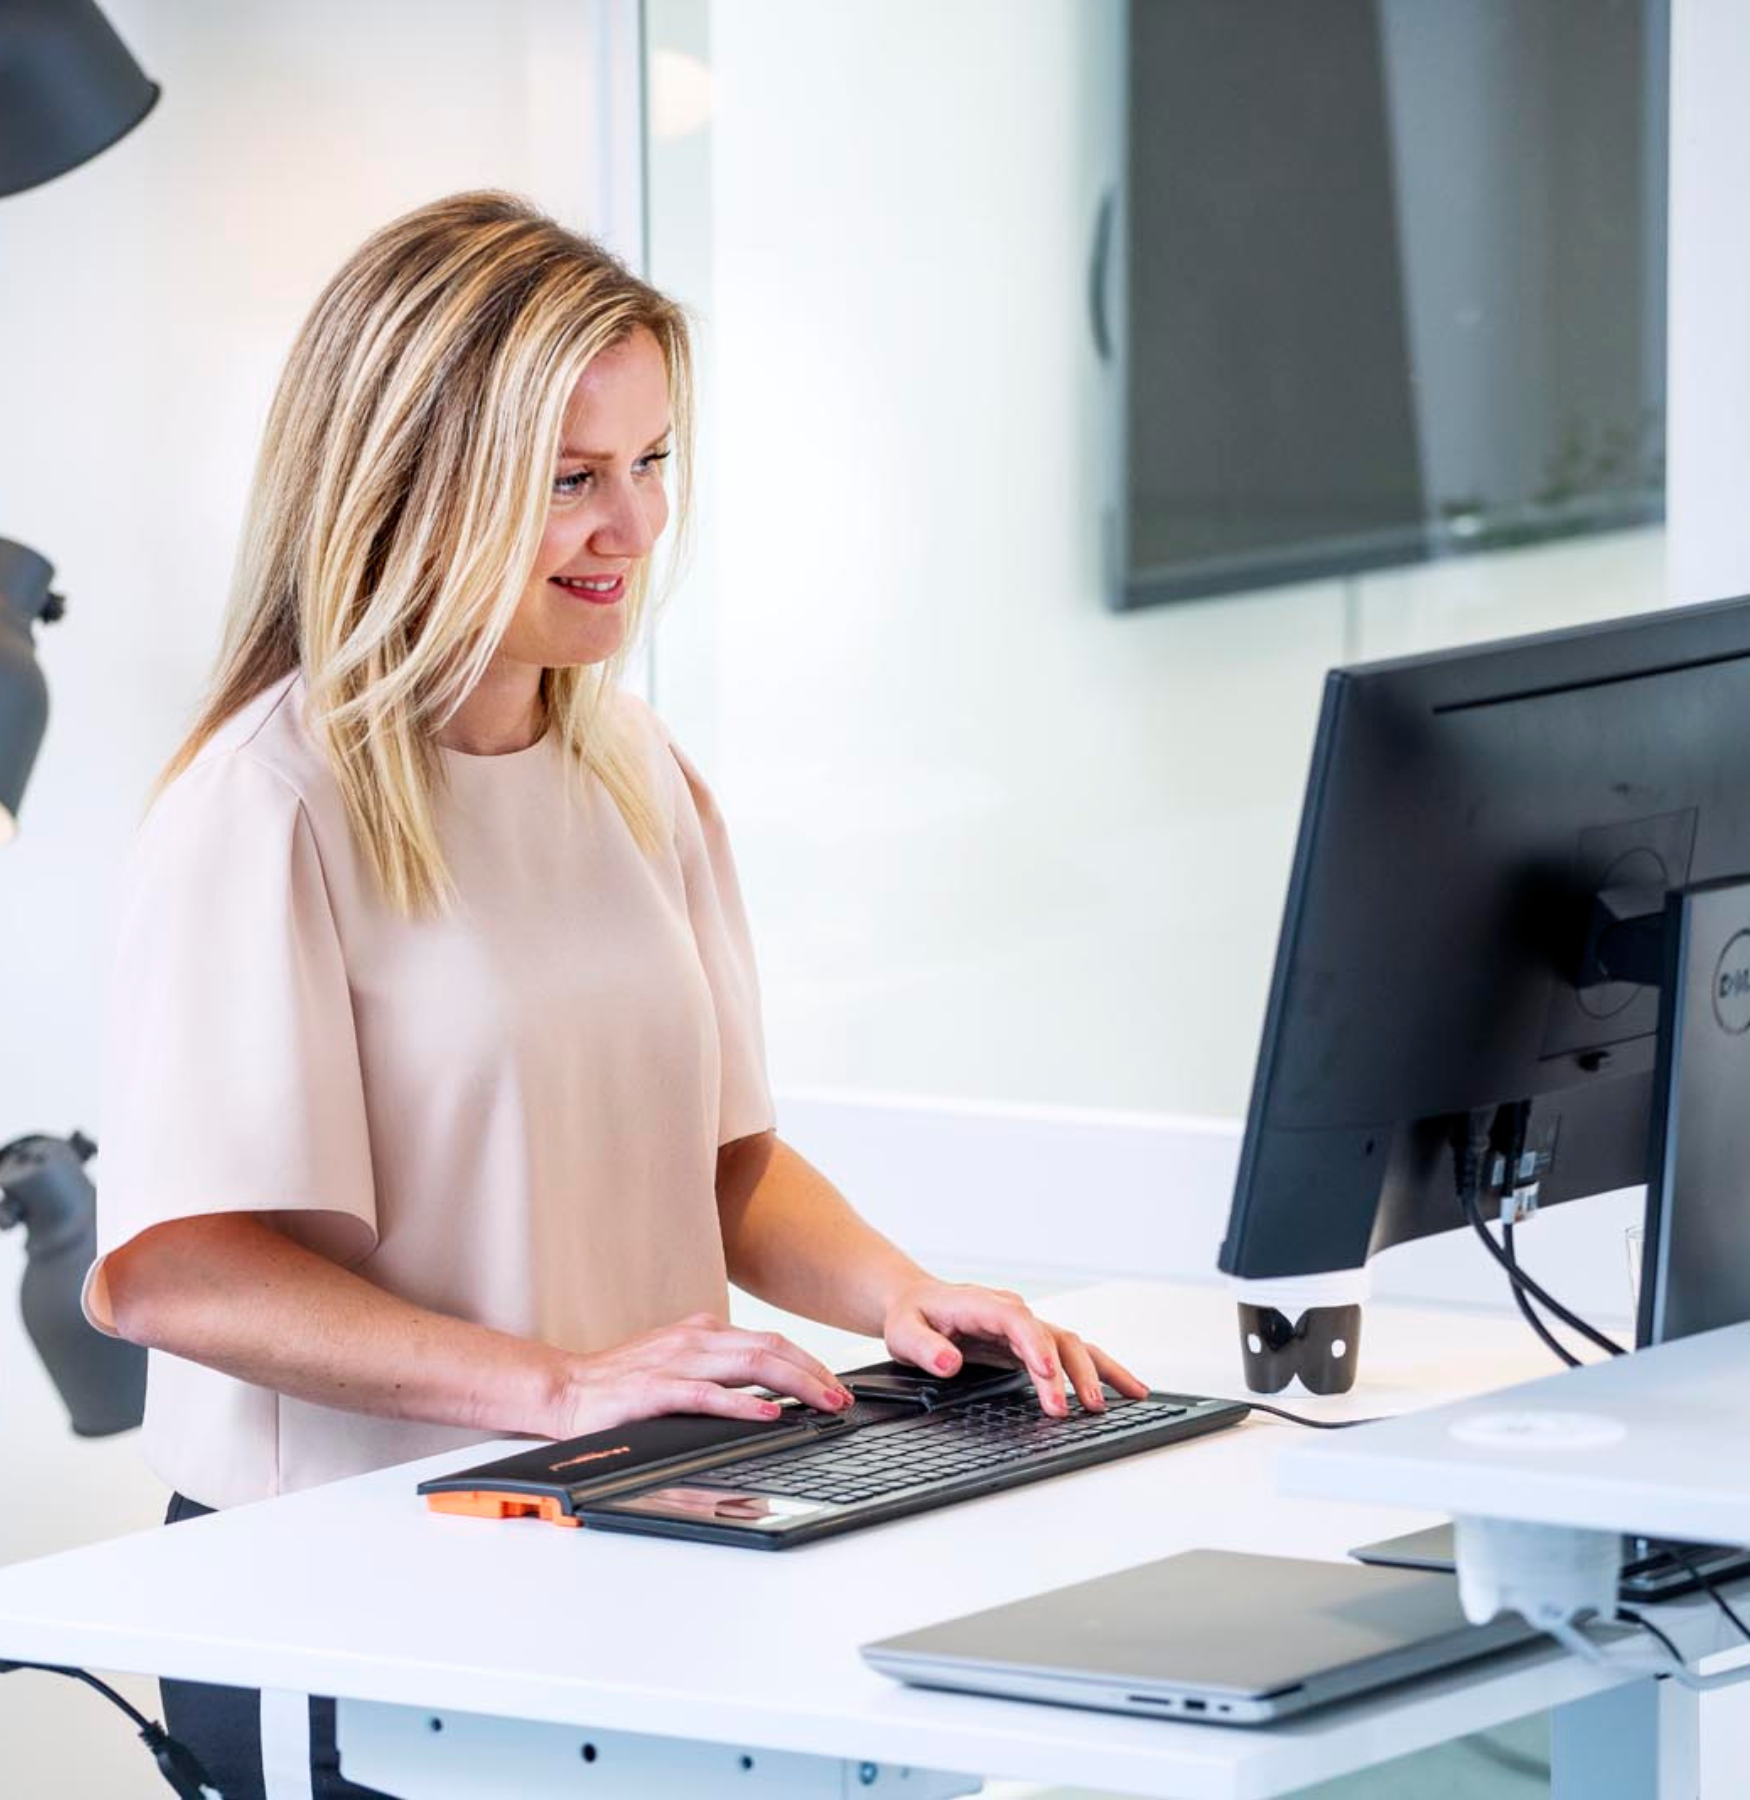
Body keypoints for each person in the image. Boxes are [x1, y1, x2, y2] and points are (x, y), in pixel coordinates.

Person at [80, 191, 1146, 1797]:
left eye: (650, 466)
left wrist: (897, 1299)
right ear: (406, 491)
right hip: (349, 1593)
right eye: (570, 480)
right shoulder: (267, 806)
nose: (633, 528)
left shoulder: (633, 770)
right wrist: (562, 1385)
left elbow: (724, 1170)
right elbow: (179, 1279)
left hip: (631, 1544)